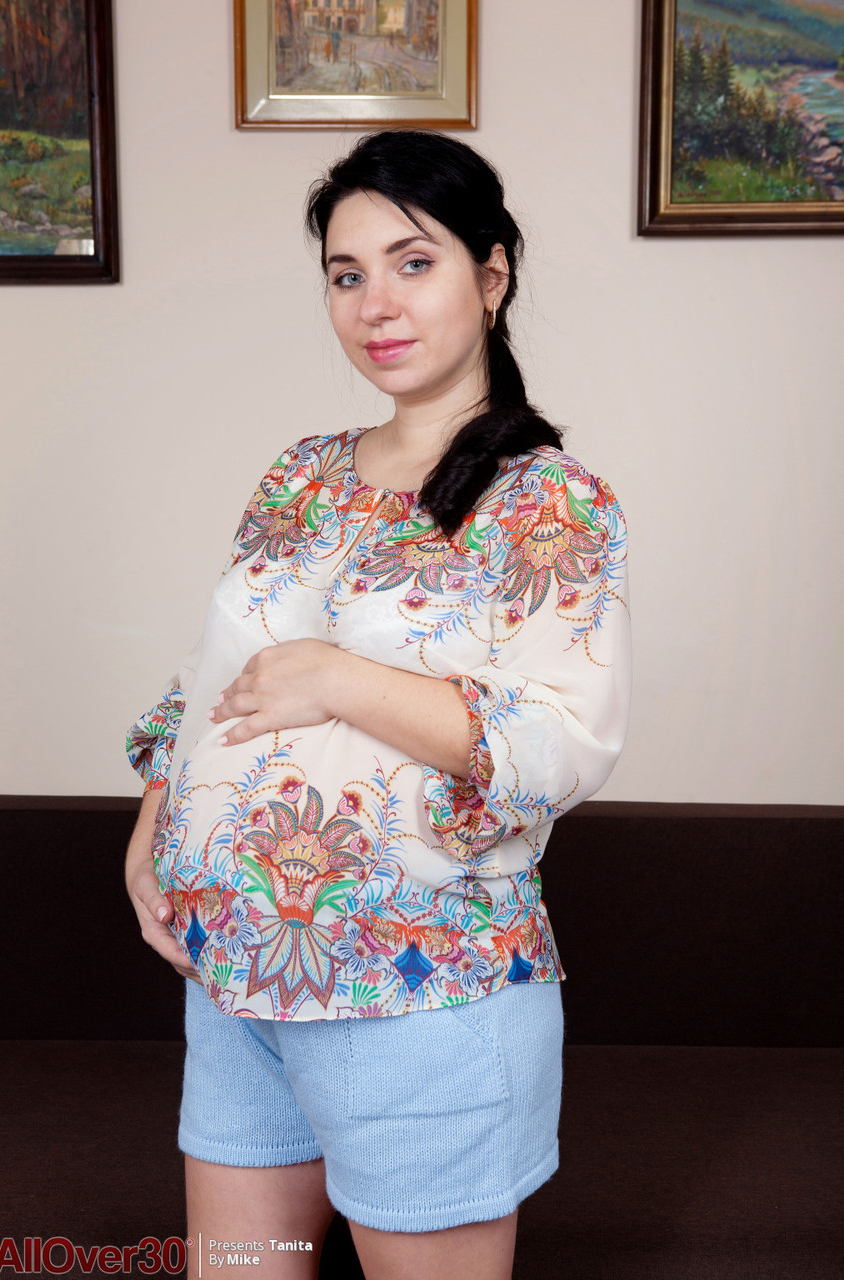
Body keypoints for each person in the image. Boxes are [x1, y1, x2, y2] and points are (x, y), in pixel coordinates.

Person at [125, 129, 631, 1280]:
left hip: (418, 983)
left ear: (491, 276)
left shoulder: (545, 501)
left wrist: (335, 674)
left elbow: (558, 742)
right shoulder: (300, 471)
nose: (375, 304)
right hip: (235, 968)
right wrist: (155, 821)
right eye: (346, 274)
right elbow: (209, 673)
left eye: (413, 262)